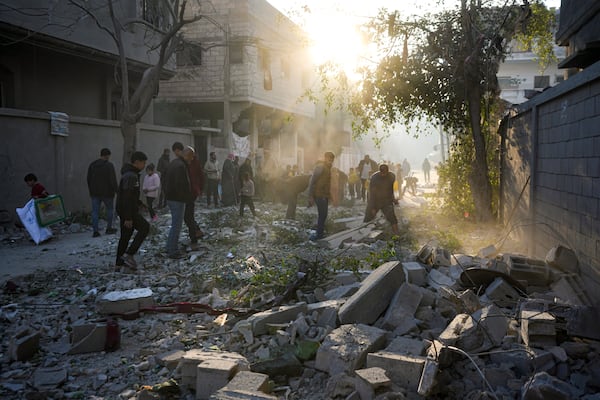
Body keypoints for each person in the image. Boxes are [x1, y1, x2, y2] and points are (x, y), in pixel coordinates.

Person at [115, 151, 149, 271]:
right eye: (143, 163)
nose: (144, 165)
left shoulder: (130, 174)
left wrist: (139, 203)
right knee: (145, 227)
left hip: (124, 209)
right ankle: (129, 255)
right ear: (137, 162)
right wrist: (128, 217)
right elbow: (127, 197)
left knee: (125, 235)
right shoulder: (131, 176)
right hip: (127, 210)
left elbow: (130, 195)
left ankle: (119, 264)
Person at [164, 143, 195, 259]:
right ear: (188, 155)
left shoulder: (174, 163)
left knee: (175, 224)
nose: (192, 160)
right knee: (176, 225)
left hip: (171, 197)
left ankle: (169, 247)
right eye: (192, 157)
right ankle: (172, 251)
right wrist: (187, 198)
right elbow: (180, 185)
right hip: (177, 199)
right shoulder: (181, 166)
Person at [86, 148, 118, 237]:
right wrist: (117, 191)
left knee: (95, 212)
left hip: (95, 193)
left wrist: (91, 190)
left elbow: (88, 179)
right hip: (107, 193)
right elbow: (113, 180)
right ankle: (109, 228)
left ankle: (95, 231)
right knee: (110, 210)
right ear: (107, 155)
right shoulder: (109, 165)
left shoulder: (92, 165)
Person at [364, 164, 400, 235]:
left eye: (385, 173)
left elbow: (394, 189)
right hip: (376, 200)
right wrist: (372, 207)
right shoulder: (374, 178)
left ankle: (396, 234)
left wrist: (395, 199)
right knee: (368, 217)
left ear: (388, 171)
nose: (384, 174)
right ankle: (364, 233)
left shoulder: (392, 176)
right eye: (382, 173)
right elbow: (371, 194)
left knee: (392, 218)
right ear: (380, 171)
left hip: (387, 200)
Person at [308, 151, 335, 241]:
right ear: (325, 158)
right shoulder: (320, 167)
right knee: (322, 214)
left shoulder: (328, 168)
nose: (330, 161)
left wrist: (330, 195)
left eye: (331, 160)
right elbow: (312, 182)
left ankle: (320, 233)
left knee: (324, 215)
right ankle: (319, 235)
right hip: (319, 195)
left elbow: (327, 184)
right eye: (329, 159)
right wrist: (310, 196)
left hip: (324, 195)